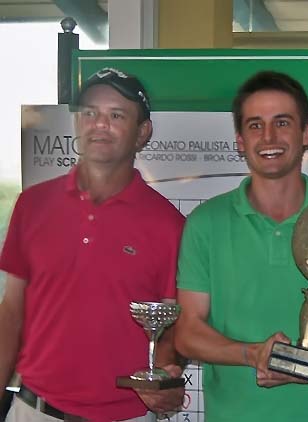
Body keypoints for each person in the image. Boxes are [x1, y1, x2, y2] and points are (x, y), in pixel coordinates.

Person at [174, 70, 308, 422]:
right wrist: (252, 354)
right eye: (255, 125)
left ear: (307, 133)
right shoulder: (206, 222)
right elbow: (187, 333)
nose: (268, 136)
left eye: (282, 122)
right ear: (240, 139)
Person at [0, 67, 185, 422]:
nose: (100, 124)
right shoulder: (32, 204)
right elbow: (10, 312)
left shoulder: (169, 224)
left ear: (142, 132)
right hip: (33, 410)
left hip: (125, 417)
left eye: (116, 115)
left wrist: (165, 374)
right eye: (90, 113)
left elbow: (172, 328)